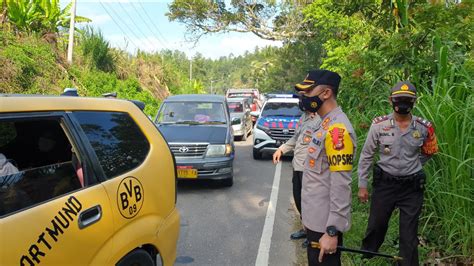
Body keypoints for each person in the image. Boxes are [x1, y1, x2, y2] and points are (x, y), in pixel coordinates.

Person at [357, 81, 438, 266]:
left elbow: (430, 151)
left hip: (412, 187)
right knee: (376, 225)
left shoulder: (424, 127)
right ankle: (366, 256)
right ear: (390, 100)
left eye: (407, 100)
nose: (403, 103)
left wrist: (415, 164)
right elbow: (367, 155)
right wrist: (362, 184)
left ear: (414, 101)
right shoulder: (379, 125)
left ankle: (406, 263)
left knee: (409, 233)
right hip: (385, 183)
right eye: (398, 99)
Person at [297, 70, 357, 265]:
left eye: (308, 92)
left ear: (326, 93)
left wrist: (332, 231)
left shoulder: (337, 130)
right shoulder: (324, 124)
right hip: (315, 220)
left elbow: (341, 184)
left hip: (325, 226)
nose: (304, 97)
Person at [273, 95, 321, 247]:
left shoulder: (321, 119)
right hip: (298, 167)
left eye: (303, 99)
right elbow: (296, 138)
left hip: (310, 170)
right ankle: (305, 229)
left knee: (310, 204)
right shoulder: (304, 117)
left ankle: (313, 235)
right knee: (299, 200)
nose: (301, 102)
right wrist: (281, 149)